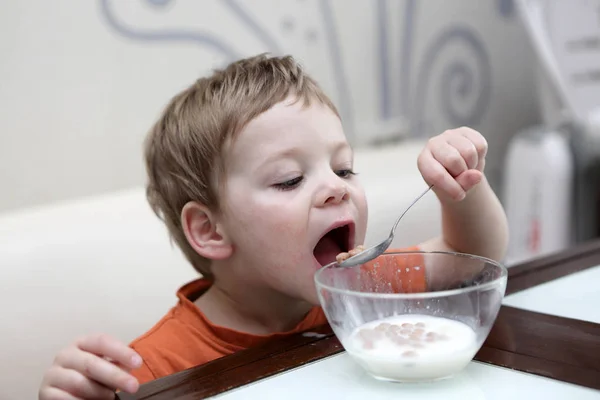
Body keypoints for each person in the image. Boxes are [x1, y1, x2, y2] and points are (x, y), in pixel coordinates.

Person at [38, 54, 508, 400]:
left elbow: (471, 254)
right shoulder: (154, 369)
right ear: (211, 230)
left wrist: (460, 185)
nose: (335, 189)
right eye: (289, 180)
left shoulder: (365, 289)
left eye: (343, 169)